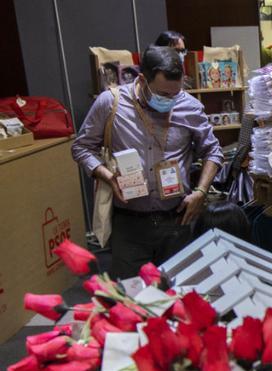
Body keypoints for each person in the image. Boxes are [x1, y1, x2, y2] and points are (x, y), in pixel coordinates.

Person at [72, 46, 223, 279]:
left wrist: (201, 191)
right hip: (129, 224)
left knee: (178, 294)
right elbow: (81, 147)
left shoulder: (190, 106)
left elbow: (213, 150)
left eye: (176, 93)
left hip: (177, 219)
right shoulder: (110, 103)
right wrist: (108, 177)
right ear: (142, 79)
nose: (171, 100)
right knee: (132, 300)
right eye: (163, 94)